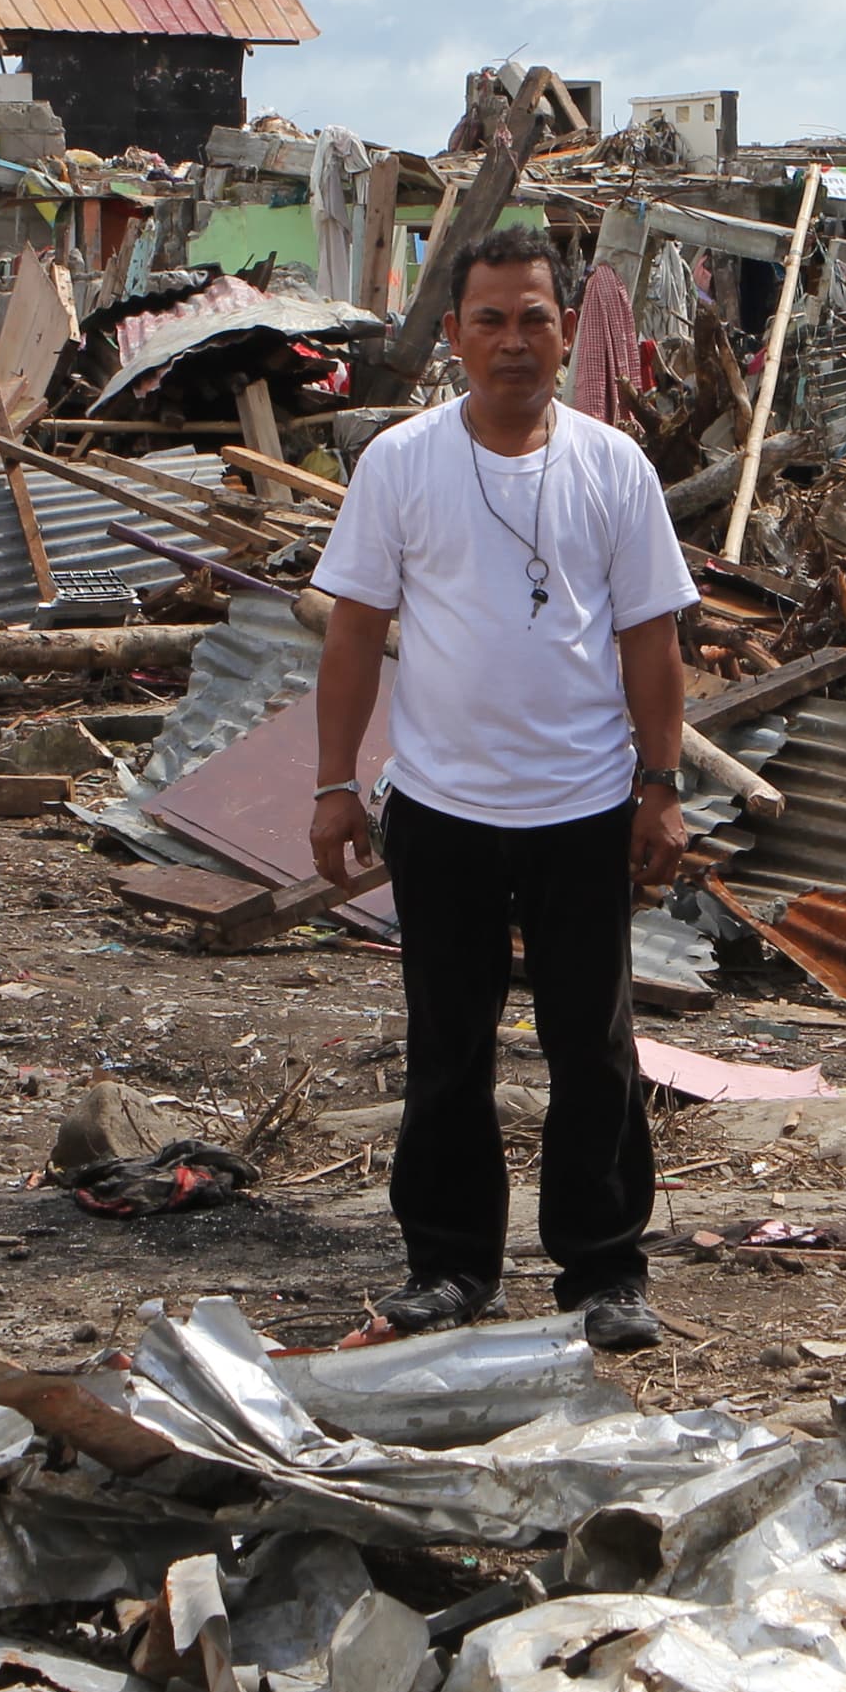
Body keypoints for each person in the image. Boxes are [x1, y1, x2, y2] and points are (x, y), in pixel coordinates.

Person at [307, 227, 697, 1351]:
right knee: (447, 1050)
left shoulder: (613, 468)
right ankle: (449, 1266)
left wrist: (659, 786)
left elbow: (650, 639)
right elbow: (353, 634)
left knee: (595, 1051)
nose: (514, 341)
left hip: (581, 810)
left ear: (565, 332)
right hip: (441, 813)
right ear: (453, 337)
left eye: (535, 318)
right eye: (491, 320)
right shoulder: (401, 463)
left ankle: (604, 1272)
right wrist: (335, 783)